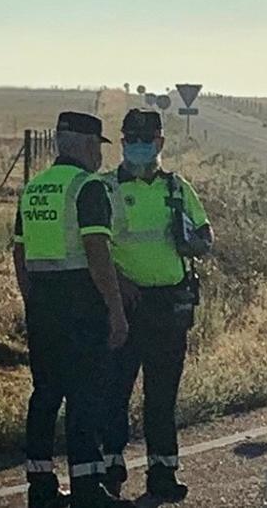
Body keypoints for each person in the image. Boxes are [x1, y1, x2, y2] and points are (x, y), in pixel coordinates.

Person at [12, 112, 132, 508]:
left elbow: (19, 253)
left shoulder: (34, 188)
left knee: (45, 395)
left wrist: (32, 300)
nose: (99, 155)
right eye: (97, 146)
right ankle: (87, 488)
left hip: (42, 305)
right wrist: (115, 309)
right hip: (81, 306)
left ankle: (40, 486)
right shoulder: (87, 187)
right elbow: (97, 253)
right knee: (85, 397)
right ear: (84, 144)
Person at [98, 110, 213, 501]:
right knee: (114, 394)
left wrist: (193, 242)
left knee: (162, 399)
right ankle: (110, 472)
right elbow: (92, 247)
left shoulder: (177, 188)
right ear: (122, 141)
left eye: (146, 139)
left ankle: (162, 474)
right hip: (124, 306)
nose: (138, 146)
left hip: (169, 306)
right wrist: (118, 284)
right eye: (132, 138)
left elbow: (205, 234)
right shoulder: (106, 188)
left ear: (160, 143)